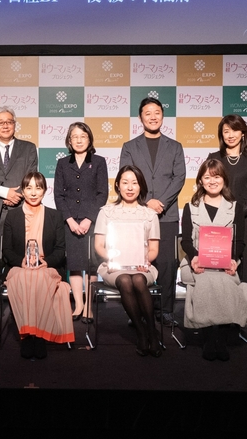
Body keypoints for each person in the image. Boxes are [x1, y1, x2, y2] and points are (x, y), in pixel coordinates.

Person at [120, 97, 185, 327]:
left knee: (167, 263)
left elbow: (179, 178)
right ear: (140, 118)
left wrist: (162, 203)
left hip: (167, 215)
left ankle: (165, 311)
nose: (153, 117)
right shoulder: (130, 147)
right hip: (138, 214)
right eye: (147, 113)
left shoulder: (175, 146)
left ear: (162, 116)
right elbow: (126, 176)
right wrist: (146, 202)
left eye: (157, 112)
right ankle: (137, 311)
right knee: (137, 263)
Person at [180, 159, 247, 361]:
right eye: (207, 177)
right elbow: (186, 241)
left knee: (224, 281)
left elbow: (239, 242)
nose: (212, 181)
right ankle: (209, 338)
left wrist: (233, 260)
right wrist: (195, 257)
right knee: (205, 281)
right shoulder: (191, 207)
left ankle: (220, 339)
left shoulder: (235, 207)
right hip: (196, 261)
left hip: (225, 262)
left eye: (217, 176)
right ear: (200, 181)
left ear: (224, 180)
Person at [0, 106, 38, 325]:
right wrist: (5, 193)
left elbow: (32, 176)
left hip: (21, 211)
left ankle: (20, 305)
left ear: (15, 124)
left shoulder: (28, 148)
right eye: (0, 122)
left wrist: (17, 195)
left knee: (19, 259)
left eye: (9, 121)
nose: (5, 125)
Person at [2, 172, 72, 359]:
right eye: (29, 188)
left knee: (39, 278)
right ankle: (27, 336)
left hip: (47, 267)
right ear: (23, 191)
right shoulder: (12, 216)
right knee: (26, 277)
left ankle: (38, 335)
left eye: (38, 188)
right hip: (19, 267)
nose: (33, 193)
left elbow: (60, 250)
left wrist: (45, 262)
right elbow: (6, 250)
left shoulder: (55, 216)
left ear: (45, 190)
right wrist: (22, 261)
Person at [94, 165, 162, 357]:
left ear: (141, 186)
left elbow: (154, 249)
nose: (130, 187)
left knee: (138, 279)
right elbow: (99, 245)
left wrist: (145, 260)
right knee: (125, 279)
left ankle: (152, 332)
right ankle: (141, 333)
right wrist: (112, 257)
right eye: (125, 182)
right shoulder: (106, 212)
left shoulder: (150, 214)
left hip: (142, 266)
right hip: (114, 267)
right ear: (117, 185)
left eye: (134, 183)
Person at [54, 122, 108, 324]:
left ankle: (89, 307)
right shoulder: (62, 163)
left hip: (92, 222)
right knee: (75, 265)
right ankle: (78, 305)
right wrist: (69, 220)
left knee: (91, 265)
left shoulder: (99, 162)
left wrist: (88, 219)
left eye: (83, 136)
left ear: (89, 139)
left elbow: (102, 194)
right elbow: (58, 195)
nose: (78, 140)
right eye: (74, 136)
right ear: (69, 140)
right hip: (69, 222)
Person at [207, 114, 247, 309]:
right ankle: (219, 313)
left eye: (235, 130)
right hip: (217, 221)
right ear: (221, 135)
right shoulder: (214, 158)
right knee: (219, 267)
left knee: (245, 268)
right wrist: (222, 213)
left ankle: (244, 313)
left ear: (243, 133)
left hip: (244, 221)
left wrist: (235, 213)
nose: (230, 135)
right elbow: (207, 188)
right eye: (226, 131)